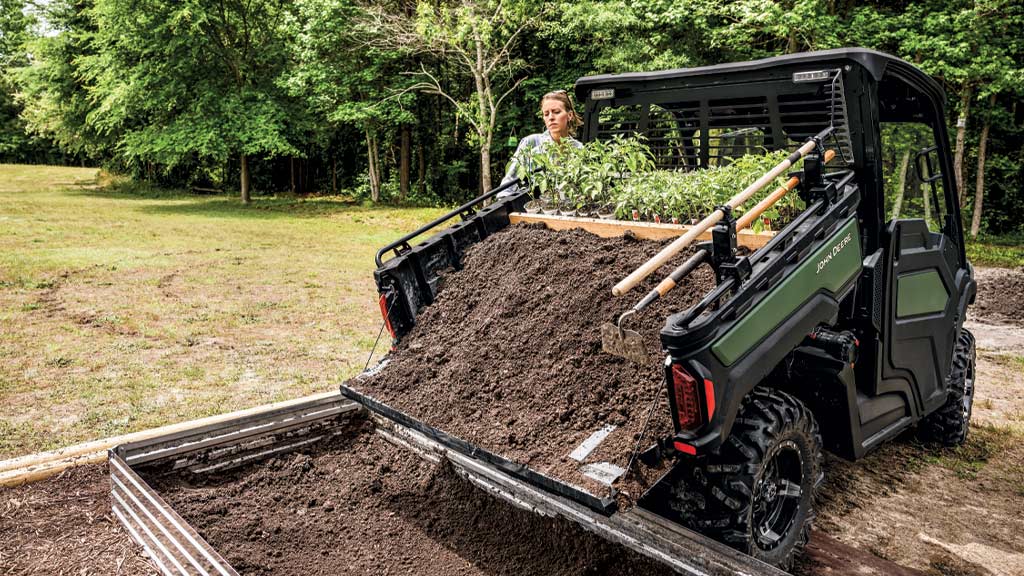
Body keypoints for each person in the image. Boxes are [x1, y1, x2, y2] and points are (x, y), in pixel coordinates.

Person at [497, 89, 584, 197]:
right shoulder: (532, 143)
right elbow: (507, 186)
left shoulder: (579, 149)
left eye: (556, 112)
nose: (551, 117)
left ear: (569, 115)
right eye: (546, 114)